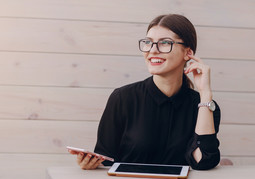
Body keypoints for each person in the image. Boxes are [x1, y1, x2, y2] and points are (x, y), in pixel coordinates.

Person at [69, 14, 220, 170]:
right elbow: (106, 162)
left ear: (187, 53)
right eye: (148, 43)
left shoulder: (205, 107)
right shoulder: (122, 99)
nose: (152, 51)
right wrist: (91, 164)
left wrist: (205, 94)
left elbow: (204, 162)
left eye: (165, 43)